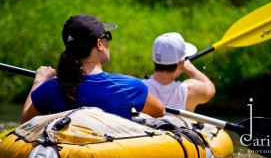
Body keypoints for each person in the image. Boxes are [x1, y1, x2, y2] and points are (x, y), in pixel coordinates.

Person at [21, 14, 165, 123]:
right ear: (99, 44)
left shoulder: (49, 89)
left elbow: (25, 122)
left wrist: (39, 81)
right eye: (107, 36)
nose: (108, 41)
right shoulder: (130, 87)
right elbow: (160, 112)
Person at [142, 32, 216, 112]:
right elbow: (210, 89)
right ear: (181, 63)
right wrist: (190, 68)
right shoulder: (190, 90)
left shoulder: (138, 87)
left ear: (153, 58)